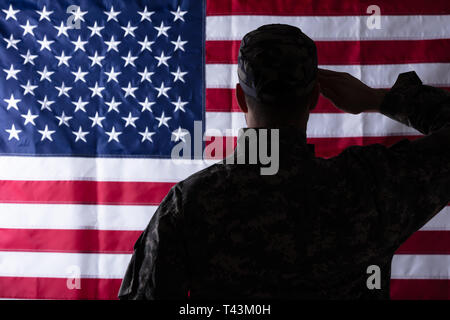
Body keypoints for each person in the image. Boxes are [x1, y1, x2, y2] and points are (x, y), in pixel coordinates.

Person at [118, 24, 450, 299]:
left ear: (238, 97)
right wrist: (380, 99)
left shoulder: (190, 204)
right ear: (315, 98)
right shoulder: (370, 186)